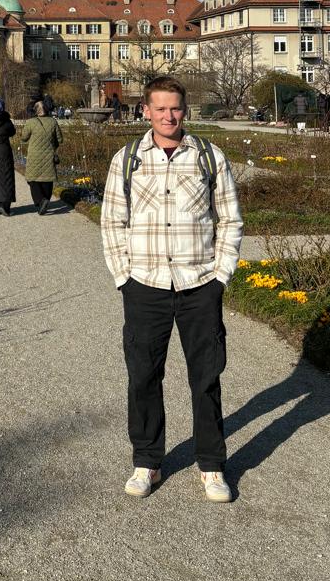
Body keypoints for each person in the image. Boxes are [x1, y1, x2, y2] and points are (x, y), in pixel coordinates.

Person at [100, 76, 243, 504]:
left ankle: (212, 465)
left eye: (175, 108)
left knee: (206, 377)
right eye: (160, 108)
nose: (168, 116)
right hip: (145, 285)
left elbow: (230, 220)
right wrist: (124, 278)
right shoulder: (127, 159)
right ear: (145, 110)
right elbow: (112, 223)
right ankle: (147, 461)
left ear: (185, 110)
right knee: (143, 376)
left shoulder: (208, 157)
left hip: (199, 284)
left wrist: (221, 277)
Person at [21, 100, 62, 215]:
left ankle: (41, 201)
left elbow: (24, 138)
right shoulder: (53, 122)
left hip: (34, 155)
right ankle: (45, 200)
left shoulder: (30, 122)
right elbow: (60, 139)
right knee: (47, 179)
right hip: (48, 154)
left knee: (32, 179)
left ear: (35, 110)